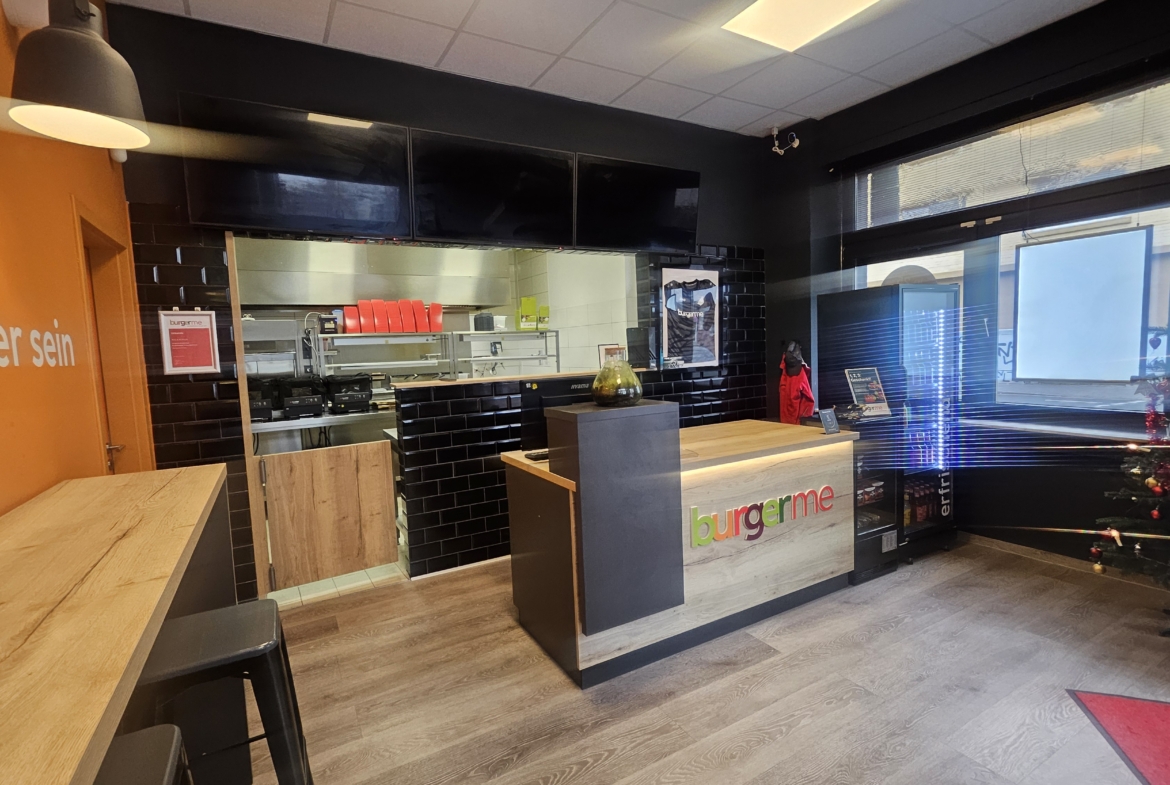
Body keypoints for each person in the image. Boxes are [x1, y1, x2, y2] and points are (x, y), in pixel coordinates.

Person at [779, 341, 814, 424]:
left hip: (791, 421)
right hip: (795, 421)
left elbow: (809, 399)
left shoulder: (786, 372)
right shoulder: (799, 374)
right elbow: (809, 399)